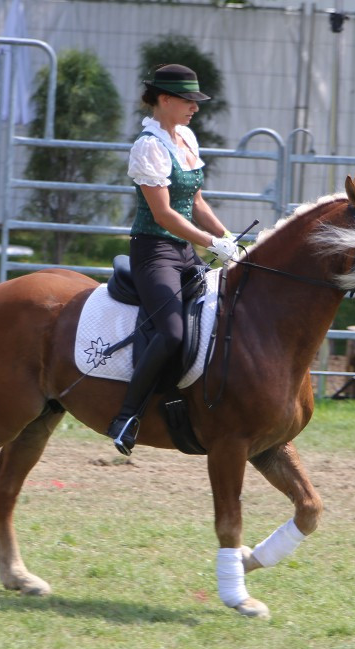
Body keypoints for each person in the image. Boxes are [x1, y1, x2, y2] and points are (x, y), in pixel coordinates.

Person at [106, 64, 238, 456]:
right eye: (188, 101)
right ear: (164, 100)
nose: (195, 108)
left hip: (184, 250)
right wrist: (211, 242)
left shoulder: (186, 138)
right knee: (173, 333)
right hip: (154, 251)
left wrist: (228, 239)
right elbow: (164, 214)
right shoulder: (148, 146)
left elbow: (195, 202)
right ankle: (127, 415)